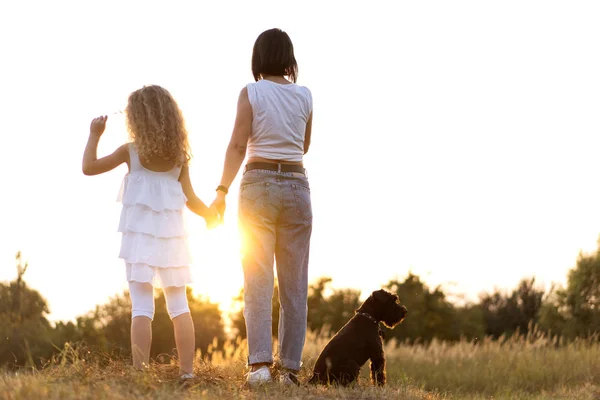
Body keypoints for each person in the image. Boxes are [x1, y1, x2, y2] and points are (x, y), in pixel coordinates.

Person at [82, 85, 217, 380]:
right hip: (172, 240)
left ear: (137, 119)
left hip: (139, 238)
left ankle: (140, 373)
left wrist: (95, 135)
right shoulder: (180, 157)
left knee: (141, 306)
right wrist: (210, 214)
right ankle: (187, 373)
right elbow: (192, 198)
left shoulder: (130, 152)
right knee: (179, 305)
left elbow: (89, 167)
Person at [210, 28, 313, 386]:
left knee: (257, 279)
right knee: (294, 285)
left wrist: (221, 189)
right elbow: (304, 145)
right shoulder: (305, 96)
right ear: (289, 58)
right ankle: (290, 371)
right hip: (298, 186)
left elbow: (238, 145)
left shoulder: (251, 92)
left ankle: (259, 367)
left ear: (258, 58)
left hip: (258, 183)